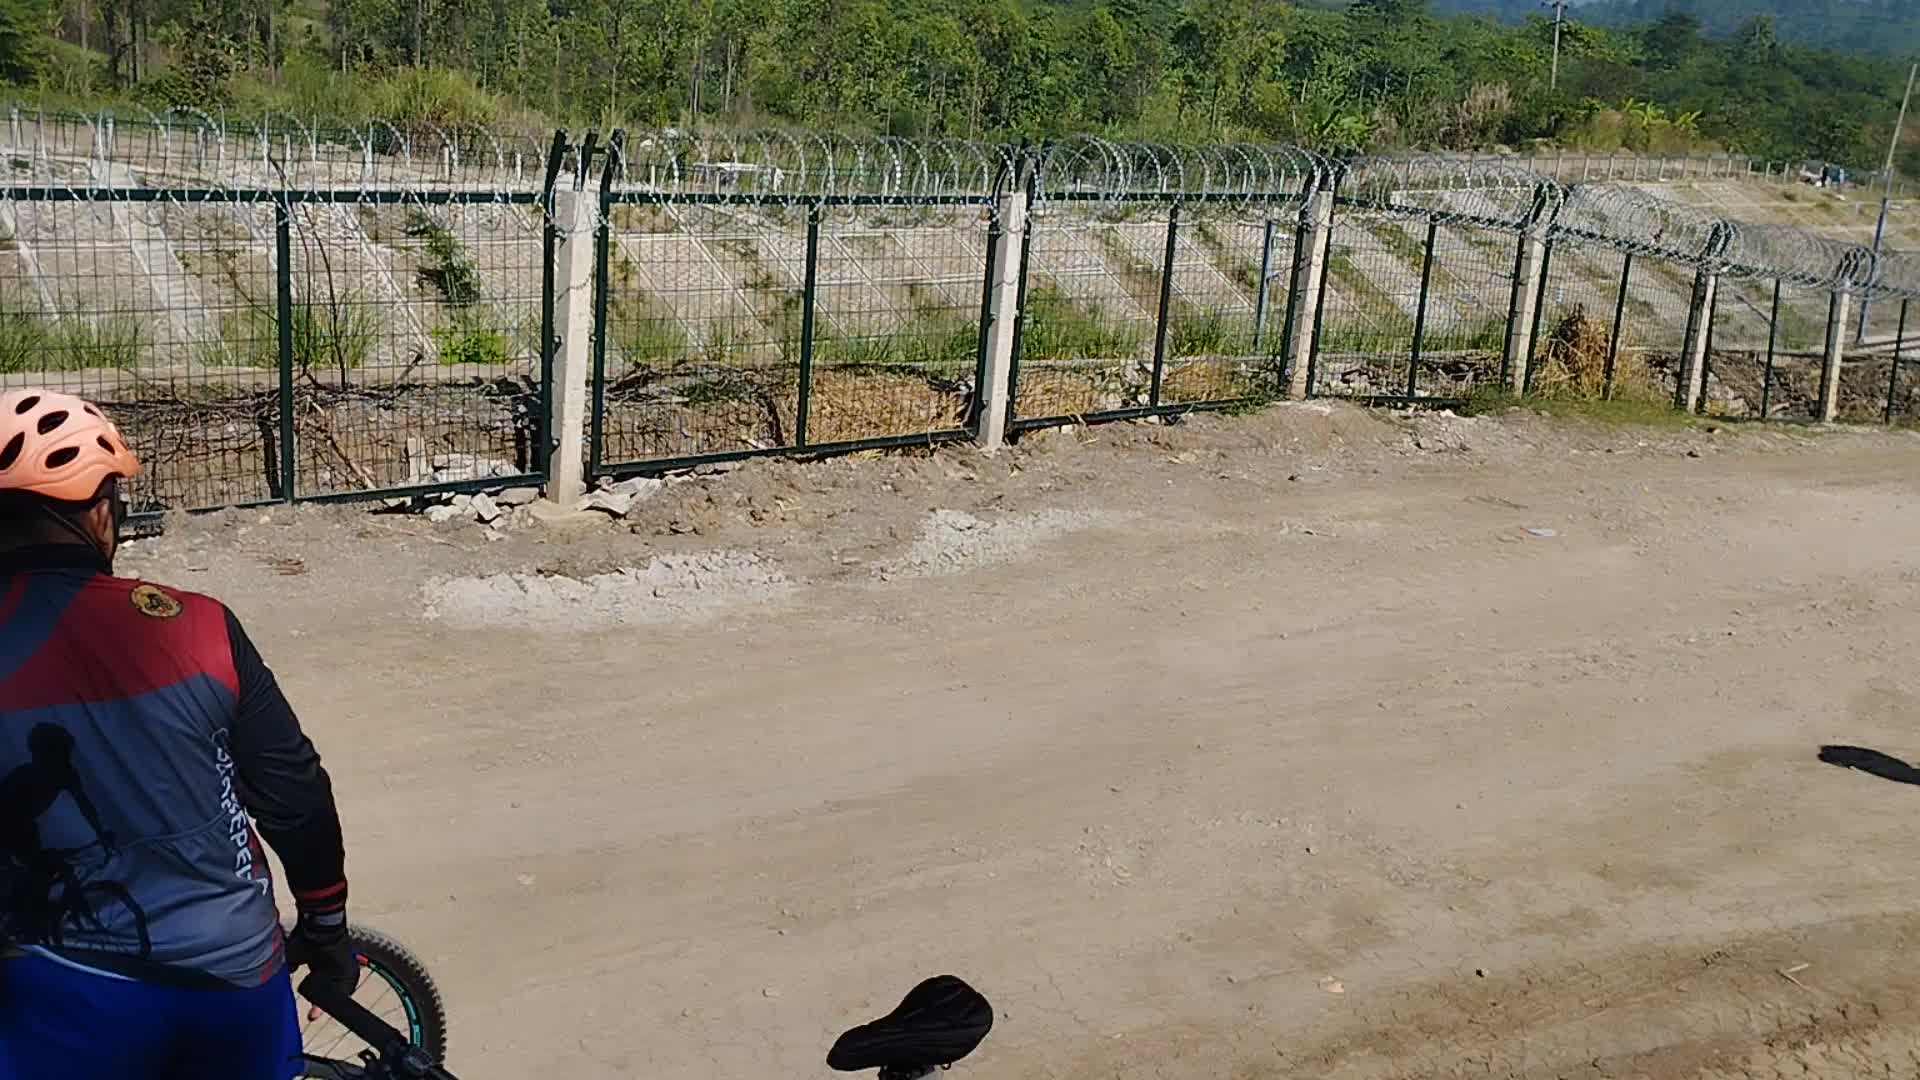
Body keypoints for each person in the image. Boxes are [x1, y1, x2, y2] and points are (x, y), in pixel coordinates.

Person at [0, 389, 357, 1080]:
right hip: (234, 977)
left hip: (60, 985)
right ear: (103, 511)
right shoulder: (198, 625)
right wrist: (326, 926)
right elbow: (294, 793)